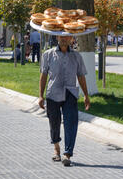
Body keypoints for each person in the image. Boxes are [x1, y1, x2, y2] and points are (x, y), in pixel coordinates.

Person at [38, 35, 90, 167]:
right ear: (56, 37)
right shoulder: (48, 55)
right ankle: (56, 149)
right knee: (54, 122)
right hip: (53, 93)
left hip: (70, 93)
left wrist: (86, 95)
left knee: (71, 123)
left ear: (72, 38)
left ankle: (67, 154)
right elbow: (43, 75)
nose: (64, 39)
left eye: (67, 36)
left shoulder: (77, 56)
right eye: (62, 36)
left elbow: (81, 75)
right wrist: (40, 95)